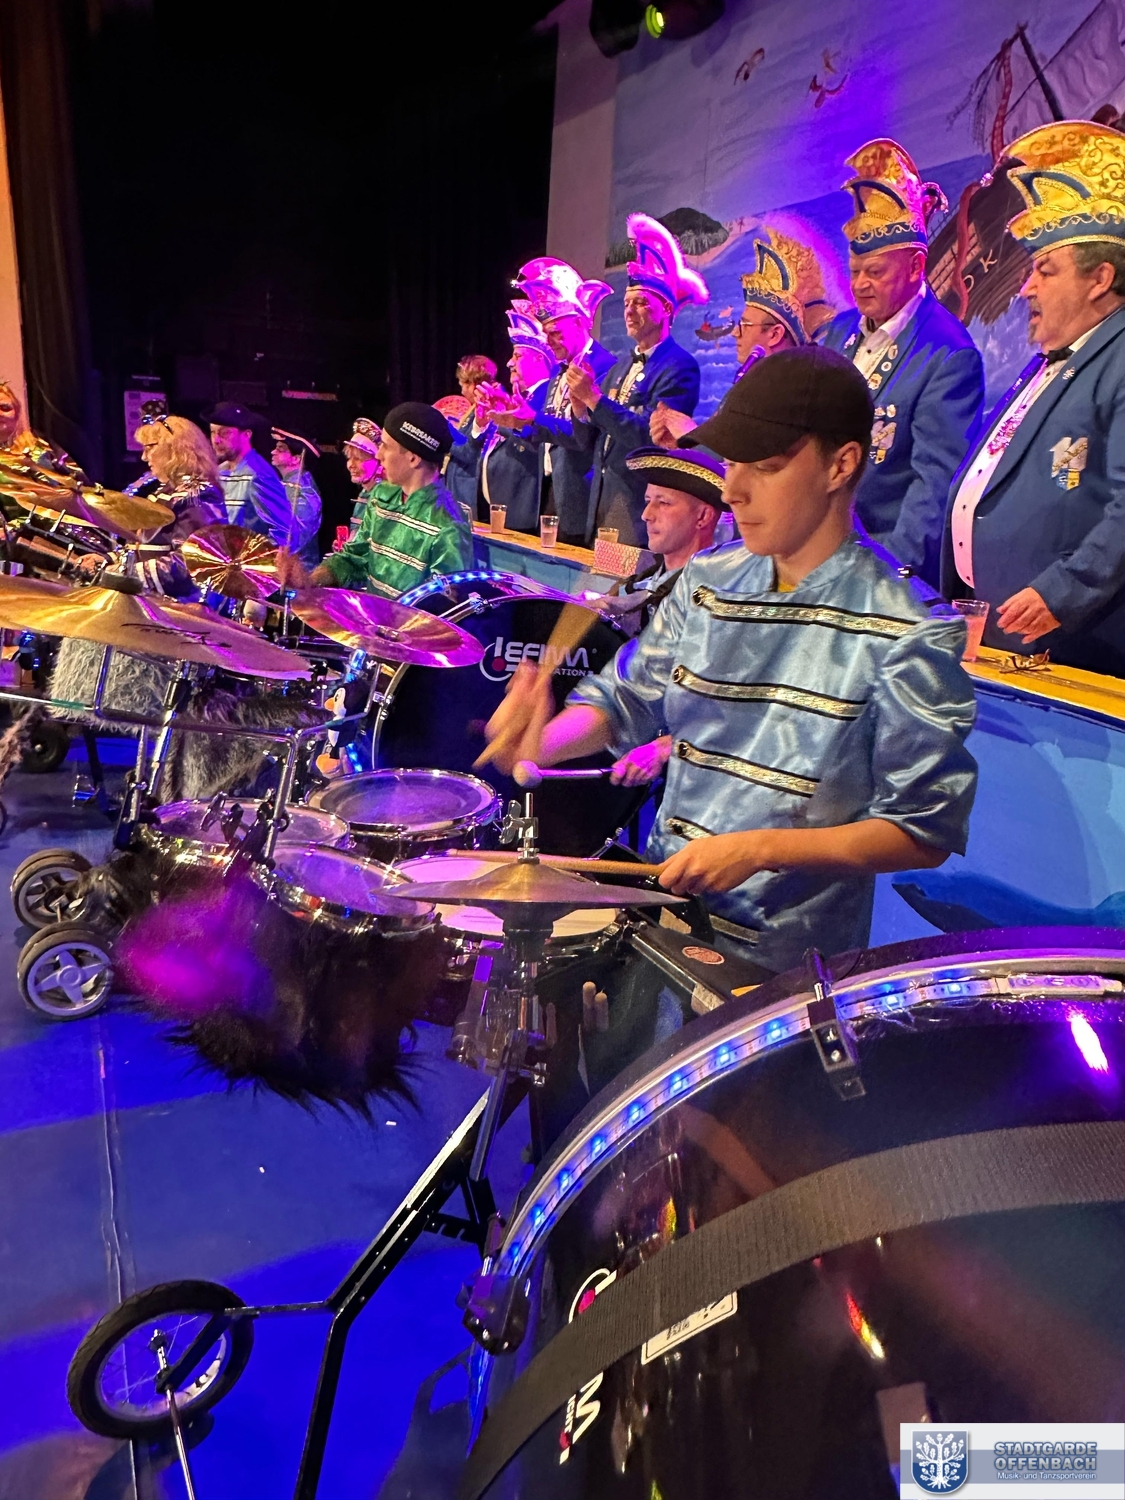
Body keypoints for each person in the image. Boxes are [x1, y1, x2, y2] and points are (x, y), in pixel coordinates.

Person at [481, 346, 977, 986]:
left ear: (841, 465)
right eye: (732, 463)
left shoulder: (908, 627)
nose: (733, 489)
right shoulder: (707, 582)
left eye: (764, 467)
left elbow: (924, 830)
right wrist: (542, 741)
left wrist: (761, 849)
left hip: (783, 970)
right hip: (661, 917)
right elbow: (623, 700)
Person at [943, 121, 1125, 676]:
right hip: (1001, 639)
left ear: (1100, 279)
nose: (1026, 288)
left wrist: (1064, 591)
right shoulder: (1051, 360)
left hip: (1070, 647)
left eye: (1045, 270)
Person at [821, 139, 984, 587]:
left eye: (875, 272)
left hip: (880, 565)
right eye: (855, 271)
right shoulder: (838, 332)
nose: (860, 285)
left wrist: (884, 574)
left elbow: (934, 487)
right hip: (818, 553)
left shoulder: (949, 354)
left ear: (915, 267)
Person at [567, 213, 707, 547]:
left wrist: (594, 399)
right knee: (595, 581)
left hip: (635, 505)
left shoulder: (680, 366)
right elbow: (589, 440)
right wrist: (580, 409)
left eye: (641, 302)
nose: (629, 311)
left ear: (667, 310)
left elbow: (651, 437)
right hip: (601, 501)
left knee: (625, 580)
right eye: (627, 303)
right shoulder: (619, 367)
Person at [602, 446, 728, 789]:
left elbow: (726, 705)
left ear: (703, 517)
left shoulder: (715, 597)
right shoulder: (641, 580)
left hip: (688, 776)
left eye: (663, 503)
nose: (646, 514)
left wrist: (663, 747)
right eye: (647, 501)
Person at [651, 229, 836, 448]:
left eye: (745, 325)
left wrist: (690, 436)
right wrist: (683, 442)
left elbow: (744, 455)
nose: (735, 332)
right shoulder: (756, 384)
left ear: (775, 334)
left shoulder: (792, 394)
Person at [480, 258, 615, 545]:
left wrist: (532, 419)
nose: (550, 341)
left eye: (556, 333)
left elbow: (584, 437)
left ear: (579, 323)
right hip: (550, 491)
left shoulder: (604, 367)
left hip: (581, 495)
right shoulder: (559, 370)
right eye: (547, 333)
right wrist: (519, 421)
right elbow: (548, 430)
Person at [279, 403, 473, 599]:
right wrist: (309, 581)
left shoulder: (448, 526)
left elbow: (445, 606)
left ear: (413, 458)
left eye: (386, 447)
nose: (378, 455)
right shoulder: (381, 496)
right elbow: (353, 559)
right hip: (374, 618)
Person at [73, 415, 225, 596]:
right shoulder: (166, 491)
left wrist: (123, 572)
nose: (144, 457)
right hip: (153, 599)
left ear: (175, 448)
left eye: (149, 448)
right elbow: (146, 548)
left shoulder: (198, 496)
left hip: (180, 606)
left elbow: (190, 563)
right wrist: (107, 560)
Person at [454, 301, 558, 531]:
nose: (510, 363)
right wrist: (483, 421)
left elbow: (540, 449)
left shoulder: (547, 398)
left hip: (523, 515)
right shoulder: (518, 398)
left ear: (539, 359)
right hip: (496, 513)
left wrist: (507, 419)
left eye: (518, 356)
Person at [205, 401, 292, 546]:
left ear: (246, 435)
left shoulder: (258, 474)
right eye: (213, 432)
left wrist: (254, 556)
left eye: (225, 433)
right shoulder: (219, 472)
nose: (216, 440)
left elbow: (283, 531)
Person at [445, 355, 498, 517]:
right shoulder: (474, 408)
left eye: (463, 384)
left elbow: (469, 452)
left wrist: (445, 431)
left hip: (468, 491)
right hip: (459, 488)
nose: (461, 390)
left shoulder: (488, 408)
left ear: (474, 383)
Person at [270, 427, 322, 567]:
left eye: (280, 449)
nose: (273, 452)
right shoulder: (284, 484)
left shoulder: (304, 489)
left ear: (296, 458)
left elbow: (298, 532)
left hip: (299, 569)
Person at [342, 418, 384, 538]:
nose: (351, 465)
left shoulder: (383, 498)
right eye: (349, 458)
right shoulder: (365, 492)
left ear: (378, 461)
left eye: (358, 459)